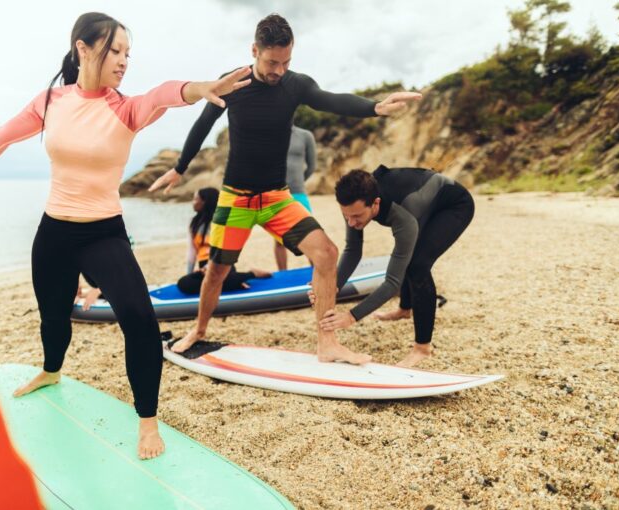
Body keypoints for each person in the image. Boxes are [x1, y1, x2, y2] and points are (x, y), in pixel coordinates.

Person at [0, 12, 252, 459]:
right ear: (83, 48)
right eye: (115, 50)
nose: (124, 61)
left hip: (102, 233)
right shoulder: (52, 100)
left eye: (128, 53)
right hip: (53, 231)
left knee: (139, 320)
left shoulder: (126, 108)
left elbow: (163, 94)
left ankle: (148, 422)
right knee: (53, 317)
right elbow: (13, 129)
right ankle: (51, 371)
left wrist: (201, 88)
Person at [149, 14, 422, 364]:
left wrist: (375, 107)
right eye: (271, 61)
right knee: (216, 270)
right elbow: (204, 123)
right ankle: (199, 331)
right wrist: (179, 167)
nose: (279, 70)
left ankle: (327, 342)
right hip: (236, 198)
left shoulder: (296, 85)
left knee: (326, 253)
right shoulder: (233, 82)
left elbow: (331, 100)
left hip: (278, 198)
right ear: (254, 50)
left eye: (286, 61)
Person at [316, 166, 475, 368]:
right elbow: (353, 250)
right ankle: (404, 310)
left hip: (453, 206)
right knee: (409, 259)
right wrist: (331, 287)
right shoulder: (354, 202)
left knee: (418, 265)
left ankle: (422, 348)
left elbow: (392, 283)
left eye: (356, 216)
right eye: (346, 216)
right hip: (422, 201)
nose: (351, 222)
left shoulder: (403, 214)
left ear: (376, 204)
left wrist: (351, 316)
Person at [178, 187, 271, 294]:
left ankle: (252, 274)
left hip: (221, 264)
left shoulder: (221, 221)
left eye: (195, 199)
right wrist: (190, 274)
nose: (193, 203)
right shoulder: (193, 223)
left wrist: (209, 266)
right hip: (203, 269)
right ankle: (237, 281)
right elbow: (191, 252)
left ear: (205, 202)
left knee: (217, 280)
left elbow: (223, 248)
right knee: (184, 283)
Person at [274, 125, 316, 270]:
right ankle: (283, 274)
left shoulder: (305, 135)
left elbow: (312, 166)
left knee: (309, 235)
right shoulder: (269, 134)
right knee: (279, 239)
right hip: (276, 194)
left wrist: (299, 182)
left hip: (299, 193)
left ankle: (316, 272)